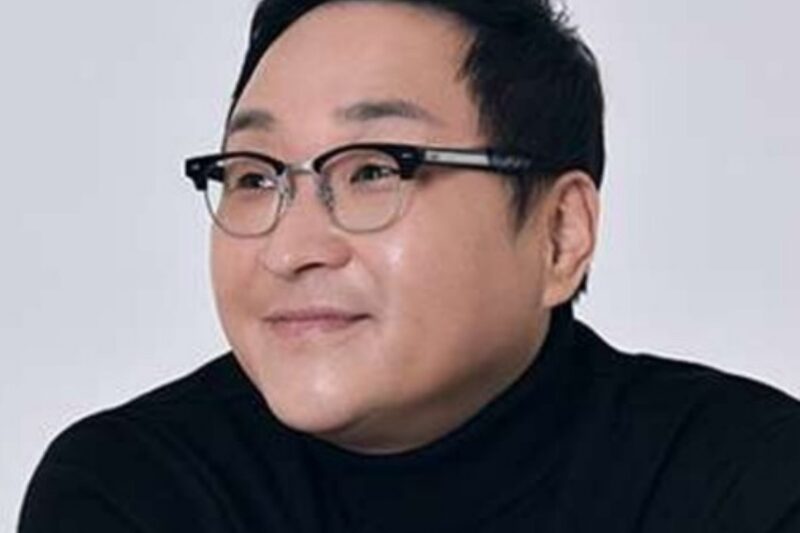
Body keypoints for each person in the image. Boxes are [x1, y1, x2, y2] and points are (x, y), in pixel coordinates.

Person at [18, 0, 800, 531]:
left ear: (560, 234)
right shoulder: (134, 490)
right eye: (255, 176)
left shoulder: (748, 480)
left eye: (373, 170)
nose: (291, 249)